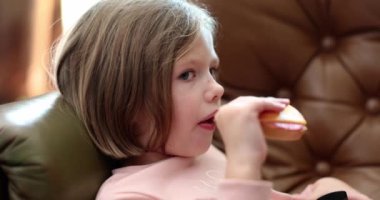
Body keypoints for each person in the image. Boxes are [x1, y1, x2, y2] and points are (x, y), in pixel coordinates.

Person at [52, 0, 371, 199]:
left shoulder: (203, 155)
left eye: (212, 71)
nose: (217, 89)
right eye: (188, 74)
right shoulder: (129, 195)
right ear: (124, 100)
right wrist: (244, 162)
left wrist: (323, 190)